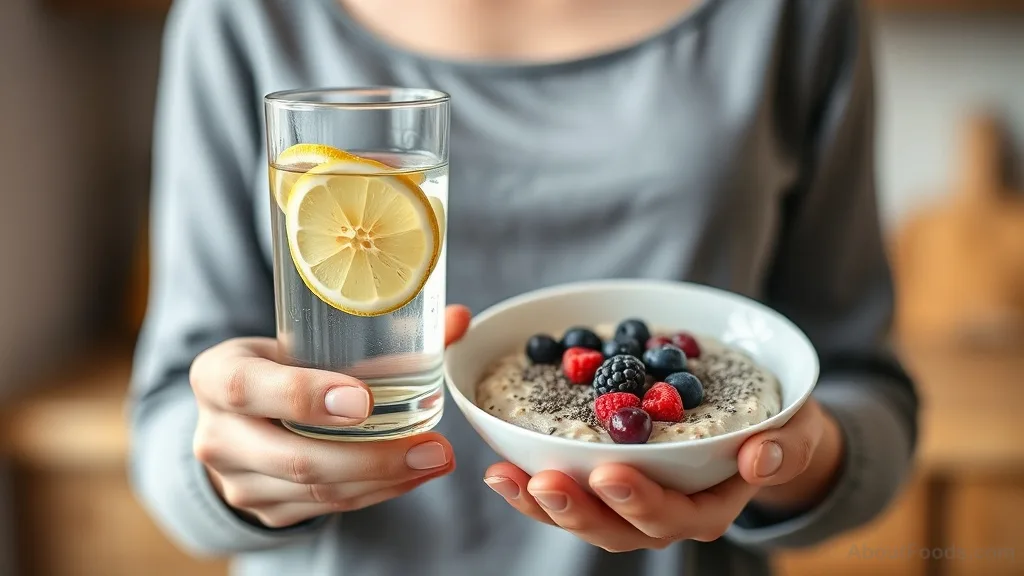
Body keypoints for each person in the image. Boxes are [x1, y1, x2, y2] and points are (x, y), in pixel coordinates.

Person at [129, 0, 919, 574]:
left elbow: (858, 383)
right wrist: (234, 468)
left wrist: (788, 463)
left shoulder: (796, 16)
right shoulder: (240, 17)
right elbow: (173, 413)